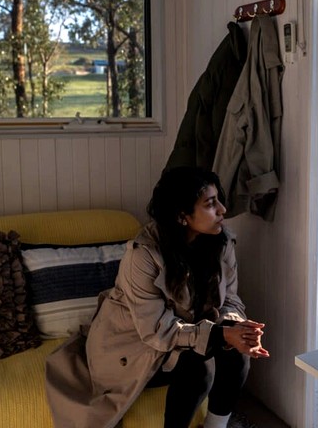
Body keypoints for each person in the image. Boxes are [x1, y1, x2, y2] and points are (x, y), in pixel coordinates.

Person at [45, 167, 269, 428]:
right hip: (138, 345)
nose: (222, 210)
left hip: (186, 333)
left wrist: (237, 328)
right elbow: (156, 331)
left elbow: (230, 298)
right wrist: (220, 335)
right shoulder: (143, 255)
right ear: (182, 215)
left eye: (218, 200)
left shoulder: (222, 242)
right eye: (210, 204)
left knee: (236, 354)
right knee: (199, 363)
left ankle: (215, 426)